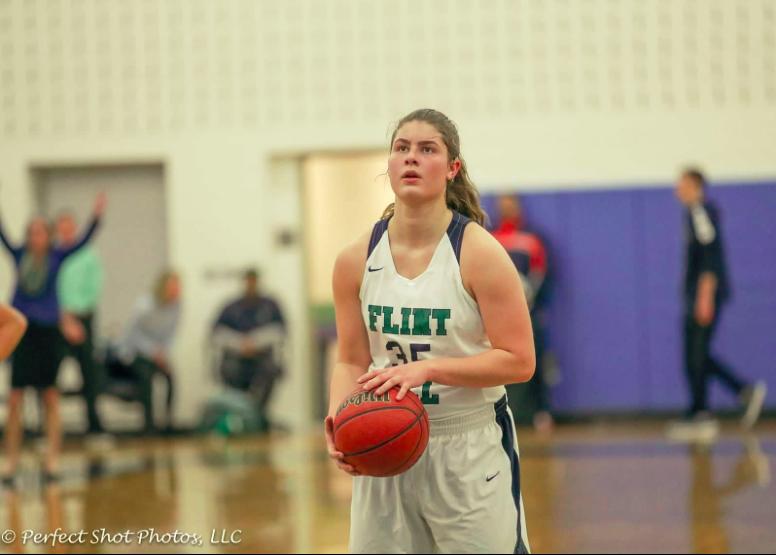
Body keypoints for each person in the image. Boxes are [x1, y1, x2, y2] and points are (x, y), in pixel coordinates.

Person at [325, 109, 535, 554]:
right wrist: (338, 416)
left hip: (468, 445)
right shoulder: (354, 259)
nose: (411, 158)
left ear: (452, 167)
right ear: (389, 163)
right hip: (385, 444)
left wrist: (428, 370)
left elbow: (520, 361)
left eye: (427, 149)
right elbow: (350, 359)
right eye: (402, 148)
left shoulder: (480, 254)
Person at [0, 193, 106, 485]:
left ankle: (52, 461)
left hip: (48, 332)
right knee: (16, 397)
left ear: (48, 235)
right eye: (31, 231)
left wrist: (96, 218)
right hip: (22, 333)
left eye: (41, 231)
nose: (36, 236)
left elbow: (83, 241)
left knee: (50, 396)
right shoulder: (20, 254)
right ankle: (10, 462)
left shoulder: (57, 256)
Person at [670, 168, 767, 441]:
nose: (677, 189)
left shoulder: (701, 212)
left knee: (697, 356)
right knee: (695, 356)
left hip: (704, 296)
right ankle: (738, 394)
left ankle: (703, 415)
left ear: (696, 185)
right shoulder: (691, 213)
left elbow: (710, 256)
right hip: (694, 296)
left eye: (682, 184)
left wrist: (705, 296)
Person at [492, 195, 553, 433]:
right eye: (502, 203)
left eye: (510, 202)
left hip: (530, 313)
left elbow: (542, 272)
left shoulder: (532, 238)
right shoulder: (489, 237)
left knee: (536, 360)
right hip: (497, 316)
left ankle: (542, 412)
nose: (506, 207)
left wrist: (529, 299)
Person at [211, 269, 286, 432]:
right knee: (230, 370)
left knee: (270, 370)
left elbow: (280, 330)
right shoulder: (231, 307)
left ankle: (259, 417)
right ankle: (240, 416)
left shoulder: (270, 305)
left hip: (261, 356)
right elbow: (217, 332)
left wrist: (256, 343)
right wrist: (239, 344)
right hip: (236, 356)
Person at [111, 271, 181, 435]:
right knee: (146, 377)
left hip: (158, 354)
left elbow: (171, 335)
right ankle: (149, 426)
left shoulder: (177, 306)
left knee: (170, 377)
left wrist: (164, 354)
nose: (177, 290)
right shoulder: (144, 305)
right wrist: (152, 350)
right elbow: (132, 334)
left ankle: (167, 423)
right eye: (173, 286)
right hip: (134, 353)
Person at [56, 211, 106, 436]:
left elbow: (94, 288)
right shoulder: (53, 255)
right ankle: (49, 429)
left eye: (69, 228)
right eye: (62, 228)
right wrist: (63, 318)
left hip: (83, 319)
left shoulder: (88, 255)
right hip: (57, 321)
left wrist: (76, 317)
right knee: (48, 376)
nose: (66, 232)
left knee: (90, 374)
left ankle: (94, 426)